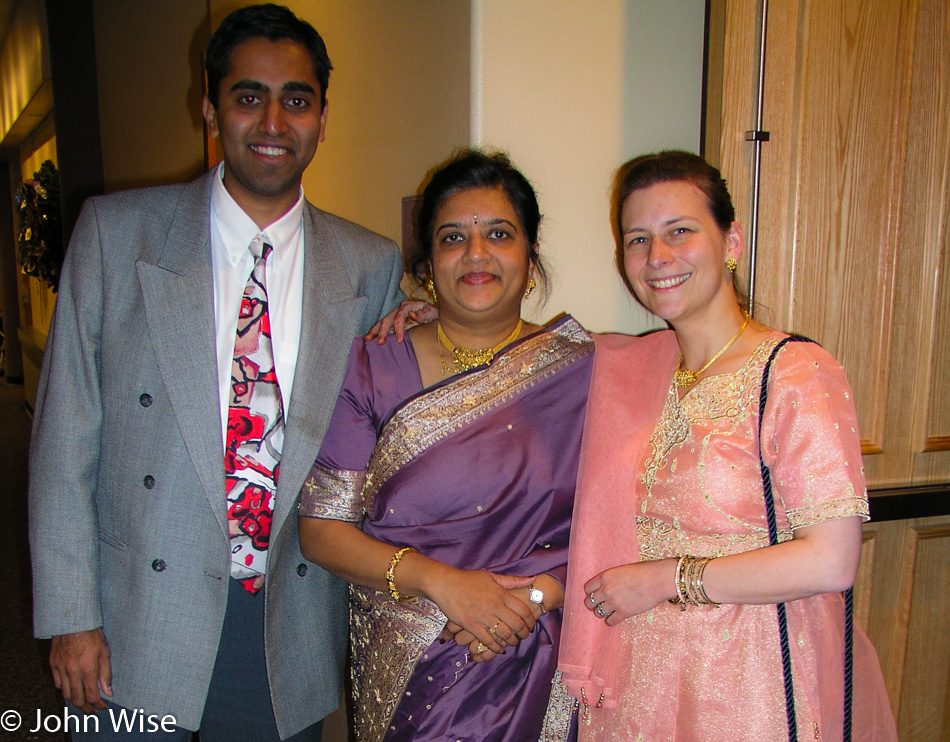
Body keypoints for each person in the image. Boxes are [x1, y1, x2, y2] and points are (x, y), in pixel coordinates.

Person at [28, 5, 404, 740]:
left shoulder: (371, 265)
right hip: (139, 604)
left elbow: (383, 436)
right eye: (247, 96)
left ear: (322, 118)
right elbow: (65, 437)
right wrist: (72, 616)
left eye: (296, 99)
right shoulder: (116, 235)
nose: (272, 120)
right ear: (210, 107)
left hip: (287, 608)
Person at [557, 150, 897, 741]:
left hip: (748, 675)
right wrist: (443, 317)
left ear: (731, 241)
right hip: (640, 678)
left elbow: (832, 559)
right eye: (636, 240)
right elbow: (534, 355)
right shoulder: (637, 369)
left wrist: (667, 580)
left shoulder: (791, 371)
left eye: (679, 231)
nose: (656, 257)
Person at [298, 149, 593, 742]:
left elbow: (619, 524)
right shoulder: (372, 367)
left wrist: (534, 598)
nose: (476, 253)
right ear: (428, 262)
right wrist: (443, 584)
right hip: (413, 661)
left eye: (499, 234)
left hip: (537, 655)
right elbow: (320, 531)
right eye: (453, 236)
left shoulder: (586, 373)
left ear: (530, 257)